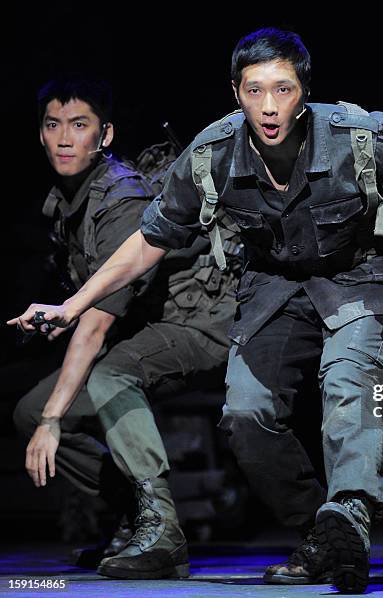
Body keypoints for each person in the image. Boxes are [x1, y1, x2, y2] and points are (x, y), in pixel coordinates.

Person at [9, 30, 383, 593]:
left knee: (348, 381)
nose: (269, 106)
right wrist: (73, 305)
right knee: (245, 414)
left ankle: (352, 510)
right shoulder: (212, 152)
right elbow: (151, 238)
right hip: (273, 286)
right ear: (236, 93)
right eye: (254, 90)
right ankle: (322, 530)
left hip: (358, 277)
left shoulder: (357, 137)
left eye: (283, 89)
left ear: (305, 92)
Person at [11, 75, 240, 580]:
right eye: (54, 125)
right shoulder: (65, 200)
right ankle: (134, 514)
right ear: (40, 134)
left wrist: (55, 417)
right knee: (30, 412)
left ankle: (160, 527)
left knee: (95, 383)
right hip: (145, 331)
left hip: (199, 326)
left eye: (79, 125)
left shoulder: (121, 198)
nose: (65, 138)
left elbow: (95, 323)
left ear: (105, 135)